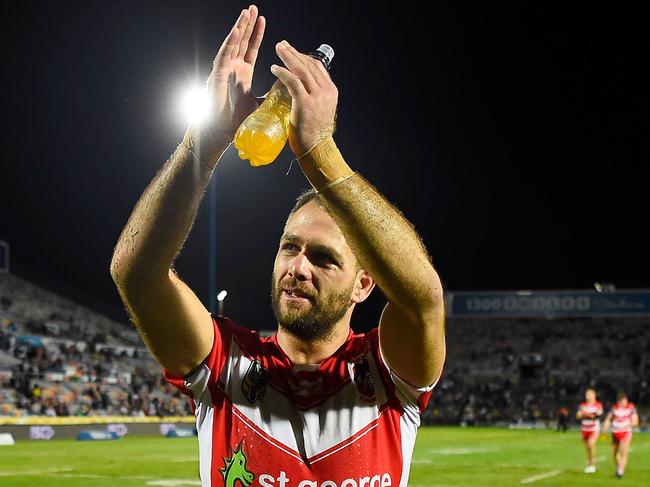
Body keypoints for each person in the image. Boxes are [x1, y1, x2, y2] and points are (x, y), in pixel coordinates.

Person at [109, 5, 445, 486]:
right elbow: (135, 274)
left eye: (325, 258)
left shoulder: (389, 373)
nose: (298, 267)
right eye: (290, 248)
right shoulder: (224, 362)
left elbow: (422, 297)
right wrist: (206, 140)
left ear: (364, 283)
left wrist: (318, 150)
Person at [603, 392, 639, 479]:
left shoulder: (631, 408)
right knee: (614, 454)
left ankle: (620, 472)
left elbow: (635, 420)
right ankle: (619, 467)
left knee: (623, 452)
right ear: (618, 401)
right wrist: (605, 428)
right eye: (621, 401)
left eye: (624, 401)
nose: (623, 403)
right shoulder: (614, 408)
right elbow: (608, 419)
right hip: (615, 432)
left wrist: (632, 423)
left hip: (625, 432)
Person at [576, 388, 603, 473]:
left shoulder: (598, 405)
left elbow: (596, 416)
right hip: (584, 428)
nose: (587, 396)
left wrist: (585, 414)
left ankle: (592, 465)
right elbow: (578, 416)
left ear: (594, 395)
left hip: (593, 428)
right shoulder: (583, 405)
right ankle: (589, 464)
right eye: (586, 395)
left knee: (591, 444)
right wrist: (587, 414)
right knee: (587, 447)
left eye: (589, 394)